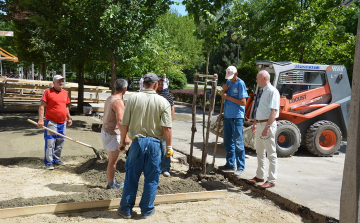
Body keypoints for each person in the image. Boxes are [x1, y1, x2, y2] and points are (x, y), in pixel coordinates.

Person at [118, 73, 172, 219]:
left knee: (131, 177)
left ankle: (126, 209)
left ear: (143, 84)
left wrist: (123, 142)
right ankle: (147, 210)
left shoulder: (133, 99)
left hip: (137, 144)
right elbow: (167, 128)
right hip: (155, 144)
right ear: (155, 85)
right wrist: (169, 147)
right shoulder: (163, 101)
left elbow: (125, 123)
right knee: (152, 178)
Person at [247, 70, 280, 189]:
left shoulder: (272, 92)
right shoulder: (263, 91)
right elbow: (260, 109)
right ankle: (259, 175)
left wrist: (267, 127)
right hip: (261, 124)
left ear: (265, 78)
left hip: (267, 125)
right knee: (259, 152)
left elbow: (274, 111)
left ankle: (271, 179)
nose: (256, 81)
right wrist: (256, 123)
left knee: (271, 153)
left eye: (258, 79)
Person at [37, 75, 72, 170]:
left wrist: (69, 118)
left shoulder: (65, 93)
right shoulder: (48, 92)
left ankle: (56, 159)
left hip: (62, 122)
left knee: (60, 141)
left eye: (62, 81)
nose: (61, 83)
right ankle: (49, 162)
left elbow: (66, 107)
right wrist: (41, 119)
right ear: (54, 82)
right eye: (59, 81)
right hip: (51, 122)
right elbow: (42, 106)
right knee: (50, 142)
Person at [218, 66, 248, 177]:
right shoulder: (228, 82)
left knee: (238, 142)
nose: (230, 79)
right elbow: (223, 96)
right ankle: (230, 163)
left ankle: (240, 166)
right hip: (228, 116)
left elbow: (243, 102)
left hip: (237, 117)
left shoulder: (240, 84)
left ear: (236, 74)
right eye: (228, 77)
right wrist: (223, 90)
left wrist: (228, 97)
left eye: (232, 77)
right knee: (227, 142)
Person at [101, 79, 130, 189]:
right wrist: (125, 137)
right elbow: (120, 121)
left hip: (106, 132)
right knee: (113, 161)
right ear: (125, 89)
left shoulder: (110, 98)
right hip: (112, 134)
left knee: (112, 160)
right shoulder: (118, 102)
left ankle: (112, 181)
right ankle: (111, 184)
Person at [156, 78, 175, 177]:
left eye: (162, 84)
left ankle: (165, 167)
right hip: (153, 126)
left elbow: (172, 108)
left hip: (164, 125)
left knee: (165, 146)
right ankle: (156, 167)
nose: (160, 86)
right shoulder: (153, 95)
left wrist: (169, 122)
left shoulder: (167, 95)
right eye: (159, 84)